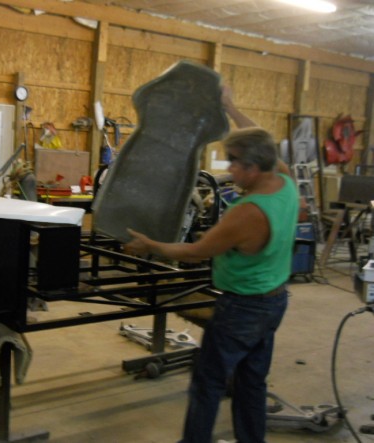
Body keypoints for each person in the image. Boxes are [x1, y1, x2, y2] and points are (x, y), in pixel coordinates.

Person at [124, 89, 299, 443]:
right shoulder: (284, 182)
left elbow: (196, 252)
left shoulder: (247, 212)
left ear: (253, 168)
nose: (229, 168)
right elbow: (264, 142)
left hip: (242, 308)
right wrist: (231, 108)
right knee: (251, 381)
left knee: (208, 381)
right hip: (274, 302)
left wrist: (151, 245)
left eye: (234, 162)